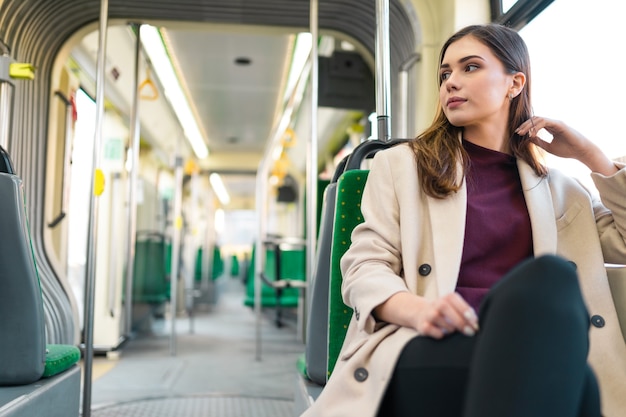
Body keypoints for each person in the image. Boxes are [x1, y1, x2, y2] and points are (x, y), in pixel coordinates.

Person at [302, 24, 626, 417]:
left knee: (553, 285)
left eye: (470, 68)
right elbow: (364, 266)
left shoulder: (561, 189)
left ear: (515, 83)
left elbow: (622, 245)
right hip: (427, 337)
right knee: (576, 381)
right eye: (445, 74)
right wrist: (419, 310)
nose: (452, 82)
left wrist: (594, 158)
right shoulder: (402, 166)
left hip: (521, 339)